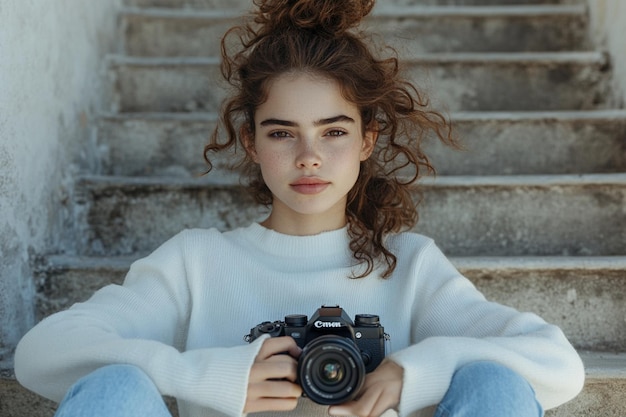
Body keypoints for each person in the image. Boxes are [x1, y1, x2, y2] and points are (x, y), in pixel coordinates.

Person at [15, 0, 585, 416]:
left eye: (333, 132)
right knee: (115, 388)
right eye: (283, 133)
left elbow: (560, 365)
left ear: (367, 140)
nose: (310, 158)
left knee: (492, 381)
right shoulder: (198, 262)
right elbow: (42, 352)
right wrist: (209, 377)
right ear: (252, 143)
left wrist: (418, 368)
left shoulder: (408, 267)